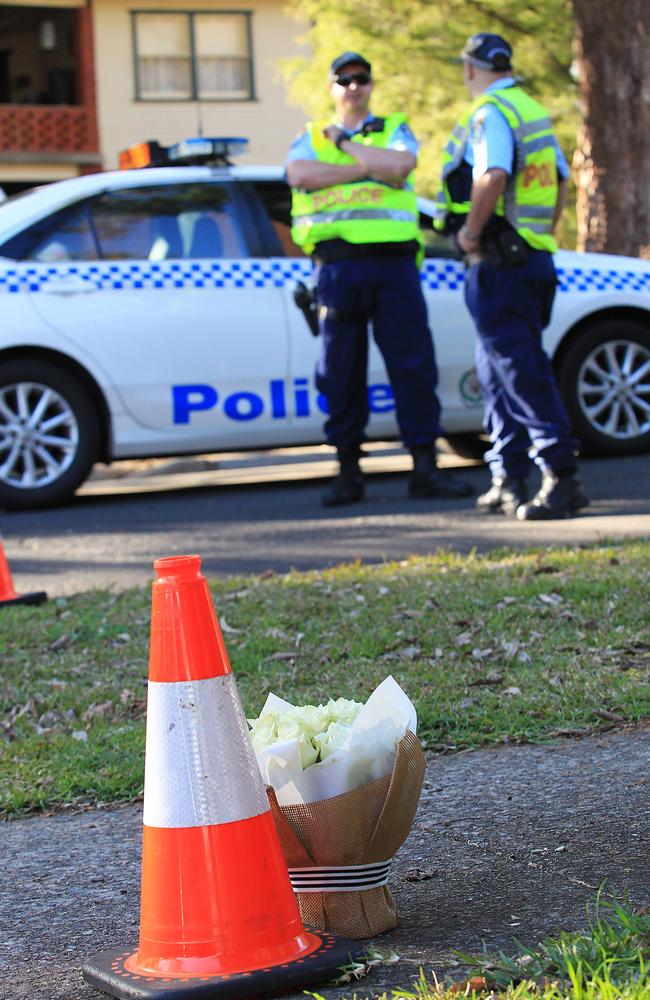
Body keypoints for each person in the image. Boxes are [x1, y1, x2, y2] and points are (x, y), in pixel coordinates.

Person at [286, 52, 473, 507]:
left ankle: (425, 467)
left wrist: (348, 147)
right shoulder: (310, 136)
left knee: (412, 365)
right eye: (344, 79)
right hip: (338, 266)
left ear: (371, 85)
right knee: (340, 370)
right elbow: (298, 175)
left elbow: (401, 167)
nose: (353, 86)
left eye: (361, 79)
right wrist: (365, 166)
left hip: (394, 266)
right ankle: (348, 471)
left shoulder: (394, 127)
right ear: (331, 87)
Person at [435, 33, 588, 519]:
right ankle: (509, 474)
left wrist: (471, 235)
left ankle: (561, 476)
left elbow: (493, 174)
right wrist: (540, 235)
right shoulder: (531, 109)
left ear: (469, 68)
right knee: (496, 372)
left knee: (519, 370)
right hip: (531, 259)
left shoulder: (490, 113)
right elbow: (561, 180)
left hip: (502, 263)